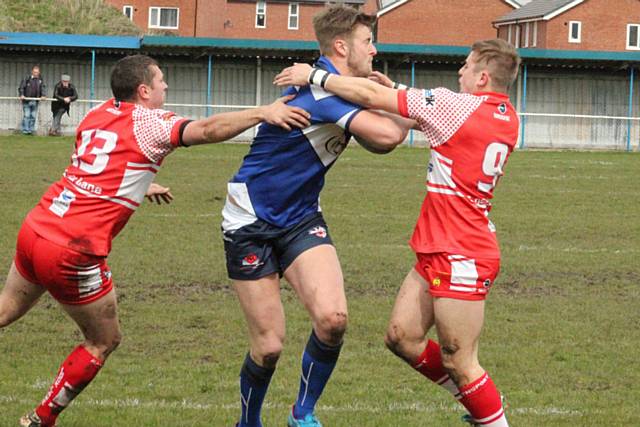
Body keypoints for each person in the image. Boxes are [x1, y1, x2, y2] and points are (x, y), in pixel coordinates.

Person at [0, 54, 310, 427]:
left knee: (4, 310)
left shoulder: (98, 113)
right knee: (103, 340)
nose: (166, 86)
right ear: (144, 90)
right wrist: (263, 112)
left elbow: (96, 168)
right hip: (72, 247)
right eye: (161, 80)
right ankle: (40, 419)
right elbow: (207, 130)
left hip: (38, 225)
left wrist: (139, 186)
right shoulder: (150, 122)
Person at [275, 38, 521, 426]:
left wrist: (315, 76)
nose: (460, 71)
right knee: (401, 337)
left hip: (462, 253)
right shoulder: (507, 116)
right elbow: (424, 108)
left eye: (467, 65)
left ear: (483, 77)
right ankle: (482, 402)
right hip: (440, 244)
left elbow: (372, 94)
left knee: (460, 358)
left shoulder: (455, 106)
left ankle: (489, 411)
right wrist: (400, 92)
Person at [223, 5, 414, 427]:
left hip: (300, 216)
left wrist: (390, 101)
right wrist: (395, 105)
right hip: (251, 218)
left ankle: (302, 414)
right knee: (269, 346)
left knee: (333, 320)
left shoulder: (338, 87)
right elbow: (386, 135)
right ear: (342, 46)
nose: (375, 49)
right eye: (368, 42)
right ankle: (248, 423)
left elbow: (385, 143)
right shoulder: (325, 93)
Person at [18, 65, 47, 135]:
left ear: (39, 72)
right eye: (34, 72)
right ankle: (25, 131)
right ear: (32, 72)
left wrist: (43, 95)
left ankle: (30, 130)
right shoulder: (27, 78)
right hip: (26, 100)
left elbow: (43, 88)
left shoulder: (40, 80)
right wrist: (21, 94)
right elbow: (21, 87)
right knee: (27, 115)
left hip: (35, 100)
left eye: (37, 72)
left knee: (33, 116)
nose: (36, 73)